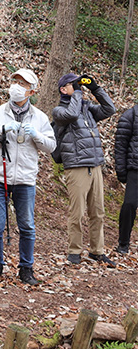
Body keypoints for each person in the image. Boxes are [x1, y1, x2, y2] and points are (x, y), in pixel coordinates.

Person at [0, 69, 55, 285]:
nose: (17, 86)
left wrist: (36, 135)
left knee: (27, 225)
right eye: (15, 81)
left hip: (26, 179)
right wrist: (0, 130)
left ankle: (26, 268)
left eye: (23, 83)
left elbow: (51, 146)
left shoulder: (40, 117)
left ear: (32, 90)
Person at [52, 73, 117, 267]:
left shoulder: (87, 108)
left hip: (95, 165)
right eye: (74, 84)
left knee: (98, 212)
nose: (78, 87)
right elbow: (71, 115)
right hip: (77, 166)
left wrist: (95, 89)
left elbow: (110, 109)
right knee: (77, 212)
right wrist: (78, 93)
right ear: (64, 89)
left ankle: (97, 251)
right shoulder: (59, 111)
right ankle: (74, 251)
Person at [114, 103, 138, 254]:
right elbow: (120, 145)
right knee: (129, 205)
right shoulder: (130, 115)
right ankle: (123, 243)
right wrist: (121, 170)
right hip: (135, 168)